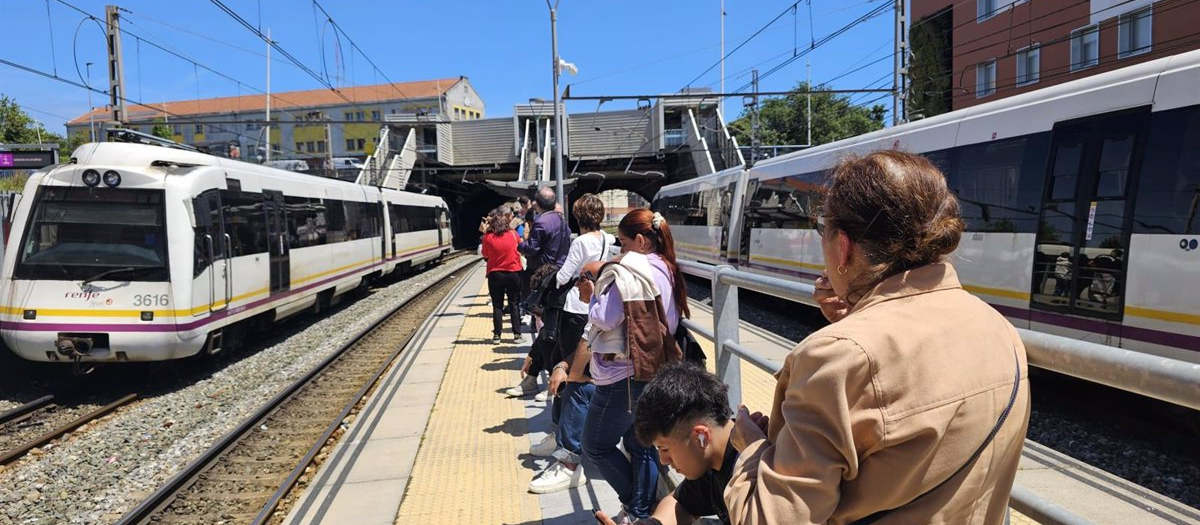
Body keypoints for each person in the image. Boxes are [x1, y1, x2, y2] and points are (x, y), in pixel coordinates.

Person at [725, 150, 1030, 525]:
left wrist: (750, 449)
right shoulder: (999, 328)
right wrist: (856, 318)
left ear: (843, 247)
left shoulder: (836, 358)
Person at [578, 208, 688, 522]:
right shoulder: (668, 267)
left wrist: (591, 297)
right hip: (656, 366)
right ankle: (639, 513)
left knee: (595, 445)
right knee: (641, 444)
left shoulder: (632, 270)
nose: (621, 250)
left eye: (623, 243)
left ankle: (633, 504)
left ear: (640, 240)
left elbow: (606, 317)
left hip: (622, 375)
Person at [529, 194, 614, 493]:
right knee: (585, 374)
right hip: (594, 311)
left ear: (578, 217)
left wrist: (549, 279)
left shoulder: (579, 243)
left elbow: (565, 276)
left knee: (565, 370)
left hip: (575, 310)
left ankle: (561, 438)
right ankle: (566, 435)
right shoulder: (608, 238)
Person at [595, 362, 749, 525]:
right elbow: (680, 503)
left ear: (701, 436)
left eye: (665, 449)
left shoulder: (756, 474)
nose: (663, 460)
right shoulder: (713, 458)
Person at [507, 186, 572, 397]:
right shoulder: (561, 220)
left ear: (536, 203)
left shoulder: (542, 222)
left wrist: (519, 244)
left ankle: (544, 379)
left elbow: (532, 248)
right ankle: (533, 377)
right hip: (559, 276)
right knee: (546, 330)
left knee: (548, 331)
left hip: (544, 279)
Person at [479, 209, 523, 344]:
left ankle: (497, 336)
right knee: (514, 304)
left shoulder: (488, 237)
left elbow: (485, 255)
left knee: (497, 305)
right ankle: (517, 335)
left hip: (495, 274)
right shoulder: (513, 234)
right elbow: (521, 248)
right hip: (513, 273)